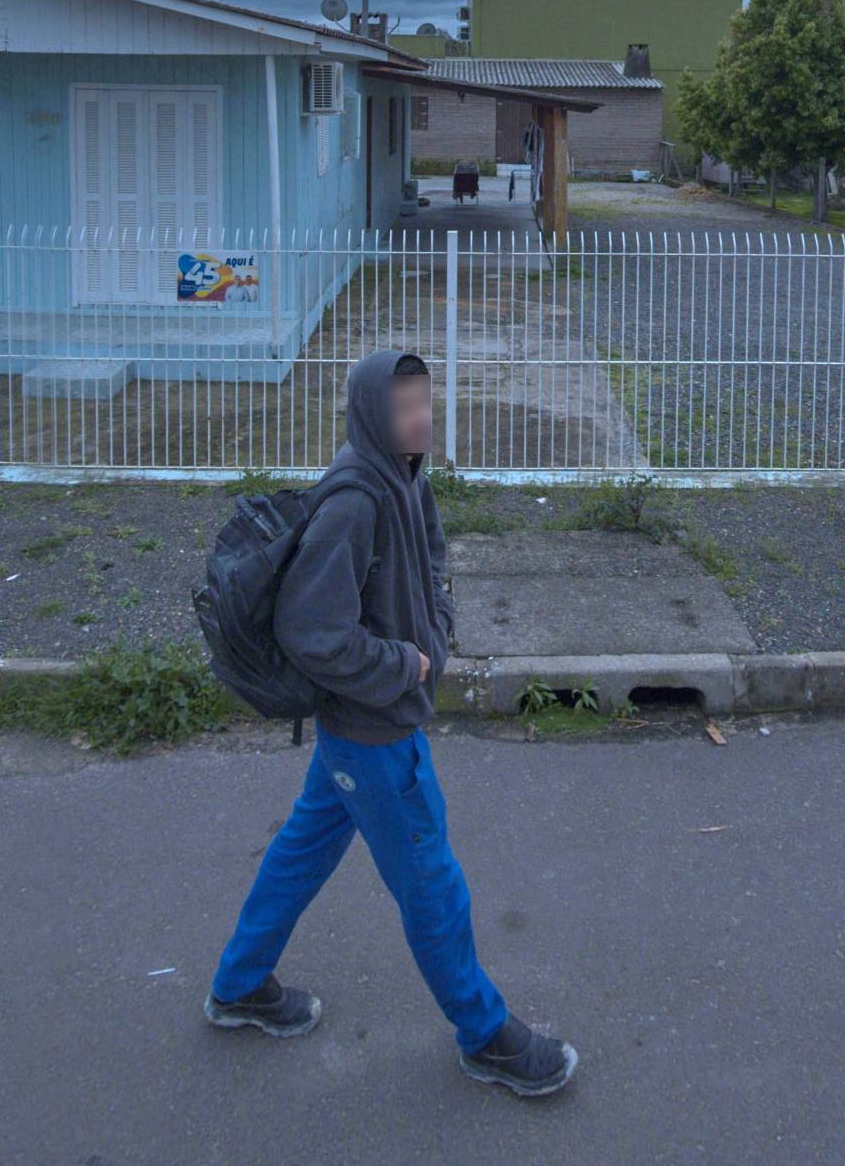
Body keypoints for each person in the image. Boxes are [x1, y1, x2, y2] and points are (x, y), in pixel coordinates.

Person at [205, 348, 577, 1098]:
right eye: (404, 408)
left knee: (302, 850)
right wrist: (404, 665)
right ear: (373, 412)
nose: (421, 420)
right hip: (372, 731)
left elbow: (431, 555)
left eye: (424, 403)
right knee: (432, 885)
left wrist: (439, 619)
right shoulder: (354, 502)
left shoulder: (406, 476)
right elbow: (313, 632)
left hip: (360, 728)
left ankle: (239, 985)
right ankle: (487, 1035)